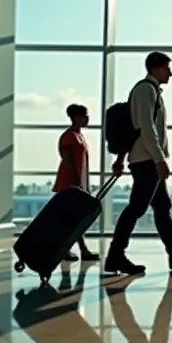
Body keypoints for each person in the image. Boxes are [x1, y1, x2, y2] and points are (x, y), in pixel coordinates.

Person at [105, 52, 172, 276]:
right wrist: (159, 159)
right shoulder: (145, 90)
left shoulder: (150, 92)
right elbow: (146, 128)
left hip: (146, 159)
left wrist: (121, 159)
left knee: (161, 207)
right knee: (136, 208)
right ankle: (115, 255)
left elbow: (134, 130)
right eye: (167, 68)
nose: (171, 73)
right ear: (156, 68)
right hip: (147, 161)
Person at [54, 103, 100, 262]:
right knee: (73, 217)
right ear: (75, 118)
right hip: (70, 181)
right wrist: (74, 180)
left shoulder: (79, 136)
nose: (87, 119)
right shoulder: (69, 136)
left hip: (77, 181)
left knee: (75, 217)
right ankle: (75, 249)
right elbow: (67, 158)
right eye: (84, 116)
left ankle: (77, 249)